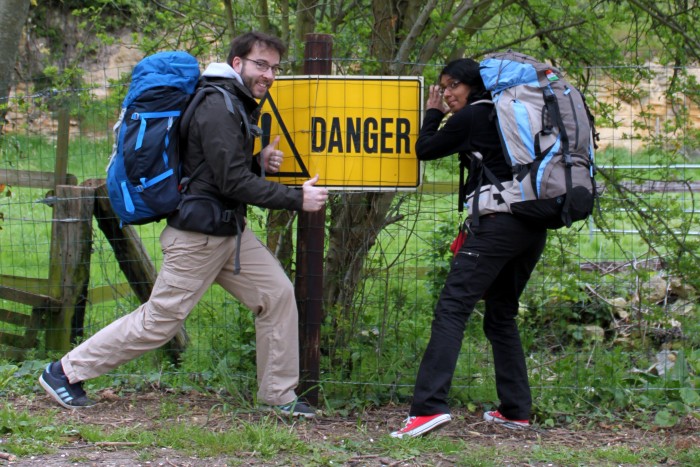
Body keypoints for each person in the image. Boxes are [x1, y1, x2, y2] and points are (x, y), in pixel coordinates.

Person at [39, 31, 329, 418]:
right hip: (198, 237)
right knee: (159, 321)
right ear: (237, 63)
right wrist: (297, 198)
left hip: (227, 233)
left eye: (275, 67)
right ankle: (63, 372)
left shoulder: (233, 102)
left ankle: (278, 395)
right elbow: (230, 182)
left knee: (276, 295)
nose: (270, 75)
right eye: (262, 64)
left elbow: (210, 168)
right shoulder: (217, 104)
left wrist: (259, 161)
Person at [390, 58, 548, 438]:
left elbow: (425, 149)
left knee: (452, 308)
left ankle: (428, 409)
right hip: (532, 226)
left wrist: (432, 113)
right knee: (501, 315)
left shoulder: (474, 116)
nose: (446, 93)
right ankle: (516, 410)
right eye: (442, 87)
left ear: (473, 86)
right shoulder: (511, 114)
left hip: (496, 225)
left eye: (452, 86)